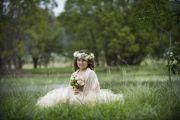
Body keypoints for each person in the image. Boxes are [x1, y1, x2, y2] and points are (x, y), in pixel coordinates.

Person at [37, 50, 123, 107]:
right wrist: (74, 89)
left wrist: (81, 89)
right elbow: (71, 87)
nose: (80, 63)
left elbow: (95, 89)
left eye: (83, 60)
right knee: (60, 97)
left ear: (88, 62)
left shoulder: (90, 73)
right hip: (76, 94)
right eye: (79, 60)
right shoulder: (75, 73)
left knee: (79, 101)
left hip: (87, 95)